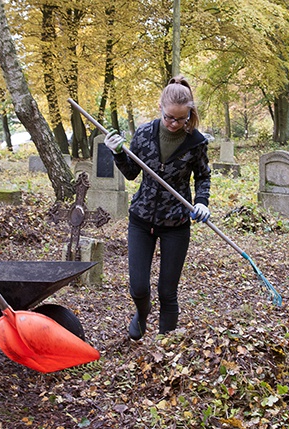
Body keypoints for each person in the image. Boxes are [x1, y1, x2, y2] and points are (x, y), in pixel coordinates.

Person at [104, 75, 211, 341]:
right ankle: (142, 314)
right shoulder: (144, 133)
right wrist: (117, 152)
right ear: (161, 109)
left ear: (189, 115)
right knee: (138, 287)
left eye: (181, 119)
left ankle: (166, 348)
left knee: (167, 292)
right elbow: (130, 173)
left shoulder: (196, 142)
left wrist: (202, 202)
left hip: (176, 223)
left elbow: (203, 176)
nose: (174, 124)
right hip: (141, 220)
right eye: (169, 118)